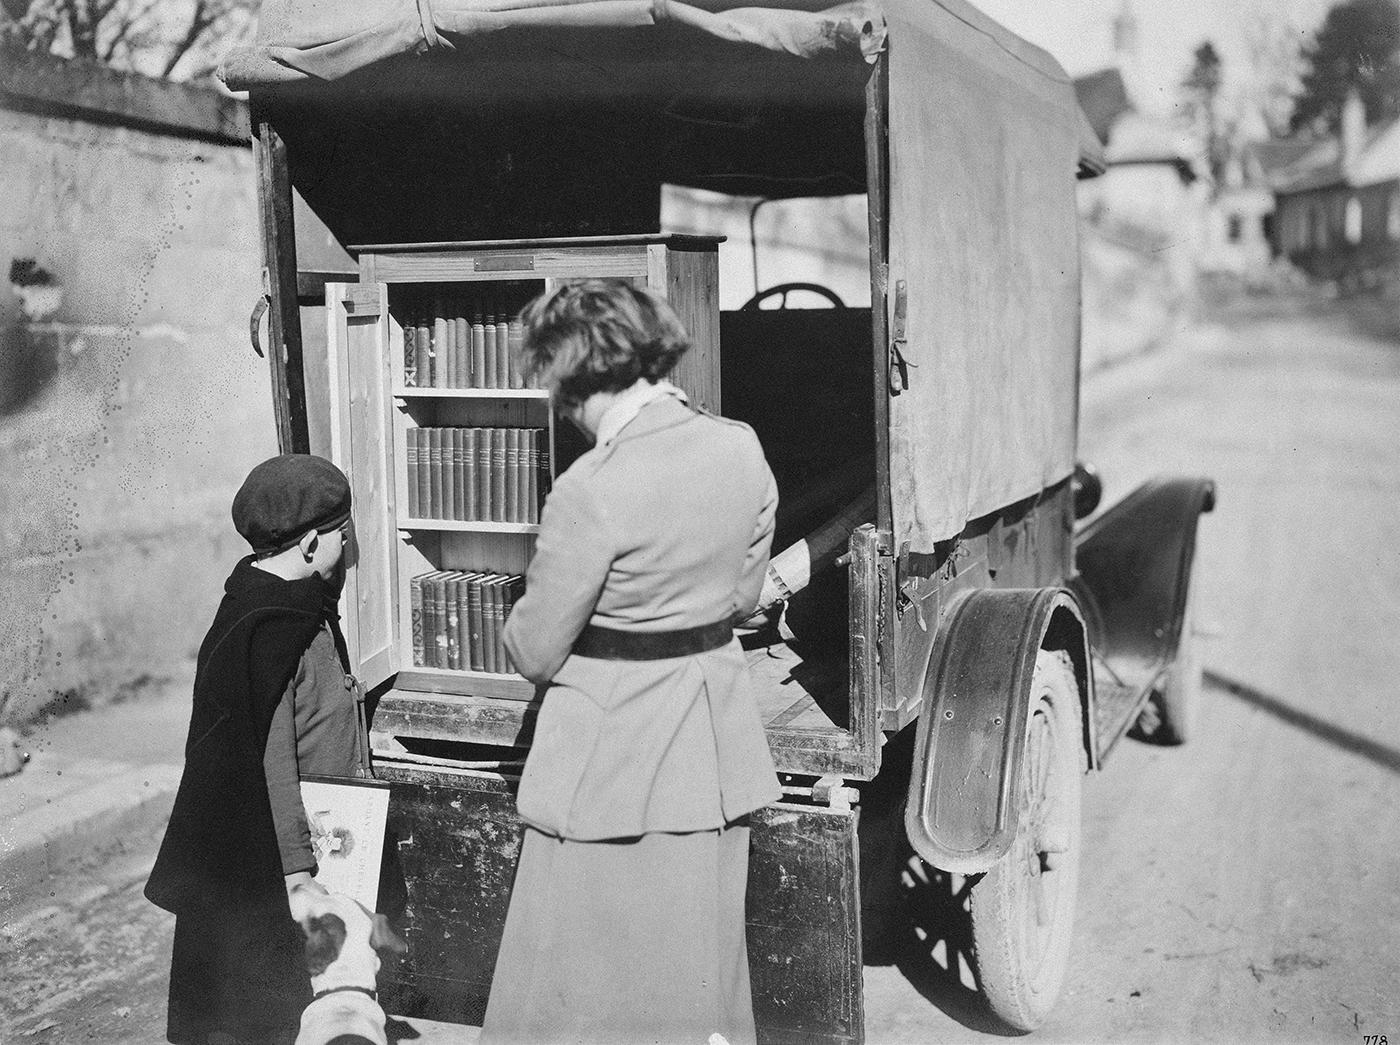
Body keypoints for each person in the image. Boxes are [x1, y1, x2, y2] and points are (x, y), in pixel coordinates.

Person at [480, 280, 782, 1045]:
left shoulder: (591, 488)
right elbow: (743, 597)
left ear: (572, 374)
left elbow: (534, 649)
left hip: (610, 764)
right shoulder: (740, 446)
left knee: (584, 990)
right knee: (695, 975)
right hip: (709, 748)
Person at [145, 453, 369, 1045]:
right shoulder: (272, 632)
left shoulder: (272, 609)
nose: (348, 551)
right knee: (268, 1011)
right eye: (345, 538)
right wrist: (296, 873)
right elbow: (268, 763)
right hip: (274, 866)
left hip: (285, 849)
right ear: (317, 542)